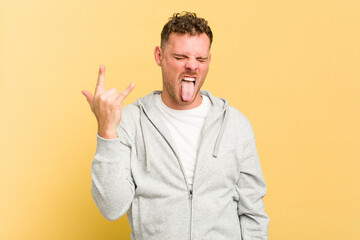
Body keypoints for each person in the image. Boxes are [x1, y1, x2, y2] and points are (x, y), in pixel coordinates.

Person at [82, 12, 269, 240]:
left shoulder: (235, 125)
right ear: (159, 56)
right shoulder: (130, 122)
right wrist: (107, 131)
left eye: (200, 59)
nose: (192, 66)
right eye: (181, 57)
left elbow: (253, 214)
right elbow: (111, 208)